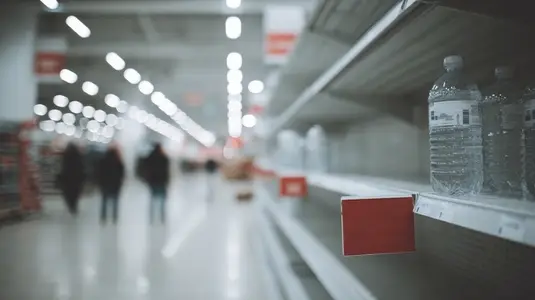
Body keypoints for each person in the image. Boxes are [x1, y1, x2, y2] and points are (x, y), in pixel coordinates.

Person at [96, 146, 125, 224]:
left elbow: (99, 173)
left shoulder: (103, 160)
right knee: (115, 202)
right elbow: (121, 174)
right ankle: (114, 217)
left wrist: (100, 183)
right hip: (115, 184)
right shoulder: (118, 161)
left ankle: (103, 217)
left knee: (104, 201)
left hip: (105, 184)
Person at [143, 143, 170, 224]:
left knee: (152, 199)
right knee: (162, 200)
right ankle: (162, 217)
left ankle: (151, 217)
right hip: (161, 181)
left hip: (153, 181)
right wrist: (167, 180)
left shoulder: (149, 158)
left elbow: (146, 169)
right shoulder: (164, 158)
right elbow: (166, 171)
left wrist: (147, 179)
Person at [57, 143, 86, 215]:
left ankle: (70, 205)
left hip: (67, 178)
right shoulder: (79, 157)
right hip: (76, 179)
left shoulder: (65, 156)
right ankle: (74, 206)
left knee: (67, 193)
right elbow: (82, 168)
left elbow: (62, 167)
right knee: (75, 194)